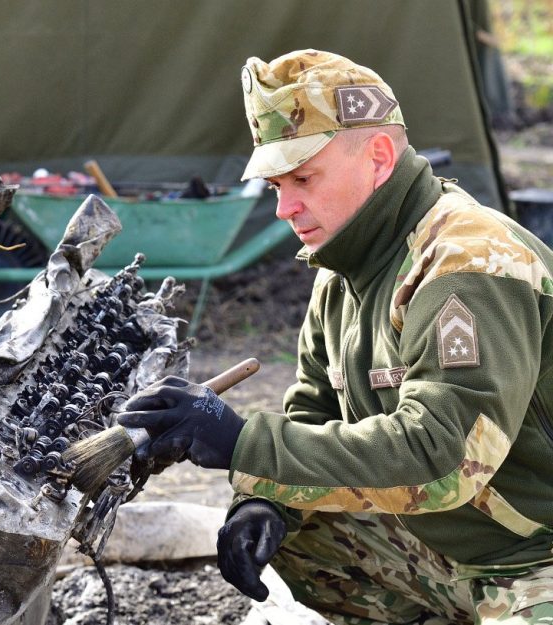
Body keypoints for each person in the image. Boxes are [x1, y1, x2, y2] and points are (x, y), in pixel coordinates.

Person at [119, 49, 553, 624]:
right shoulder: (346, 266)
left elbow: (445, 460)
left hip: (535, 555)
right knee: (297, 522)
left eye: (303, 177)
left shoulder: (469, 264)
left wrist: (242, 441)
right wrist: (265, 501)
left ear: (377, 157)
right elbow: (317, 409)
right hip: (458, 552)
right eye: (276, 184)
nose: (284, 207)